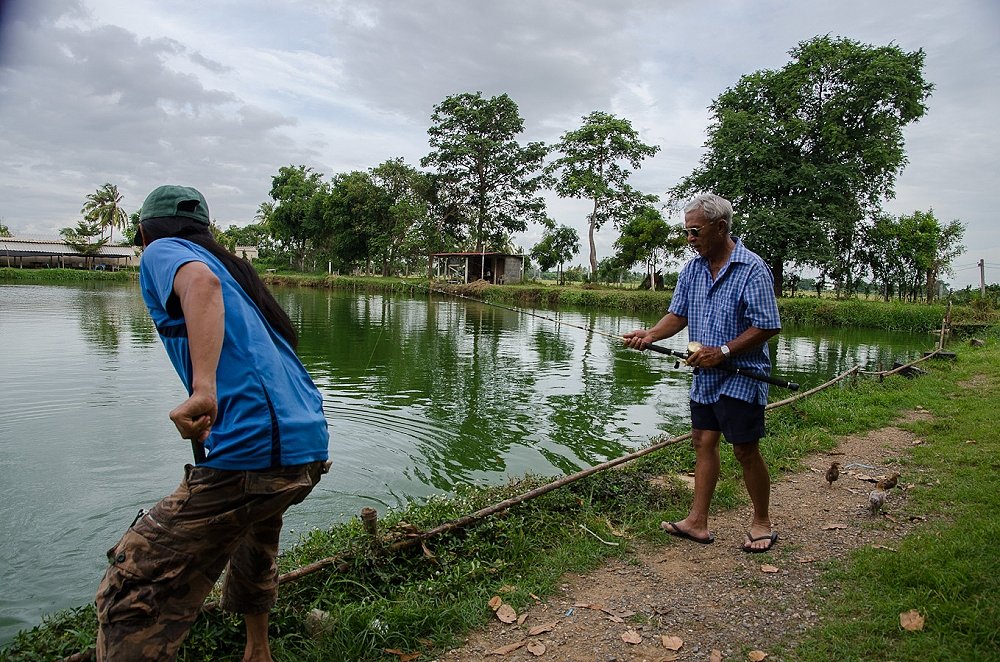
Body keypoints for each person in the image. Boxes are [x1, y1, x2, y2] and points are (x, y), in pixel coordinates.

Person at [95, 185, 331, 661]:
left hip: (256, 449)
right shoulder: (238, 272)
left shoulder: (163, 252)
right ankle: (257, 651)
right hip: (306, 447)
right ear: (206, 228)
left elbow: (200, 286)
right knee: (255, 533)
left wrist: (203, 390)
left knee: (133, 577)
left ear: (142, 231)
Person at [623, 193, 781, 553]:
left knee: (744, 449)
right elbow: (677, 315)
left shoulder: (751, 268)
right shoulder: (692, 270)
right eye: (687, 232)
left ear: (720, 228)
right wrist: (650, 334)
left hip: (743, 373)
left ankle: (761, 522)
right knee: (702, 442)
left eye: (695, 231)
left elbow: (768, 325)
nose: (689, 239)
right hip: (705, 376)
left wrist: (723, 351)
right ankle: (697, 521)